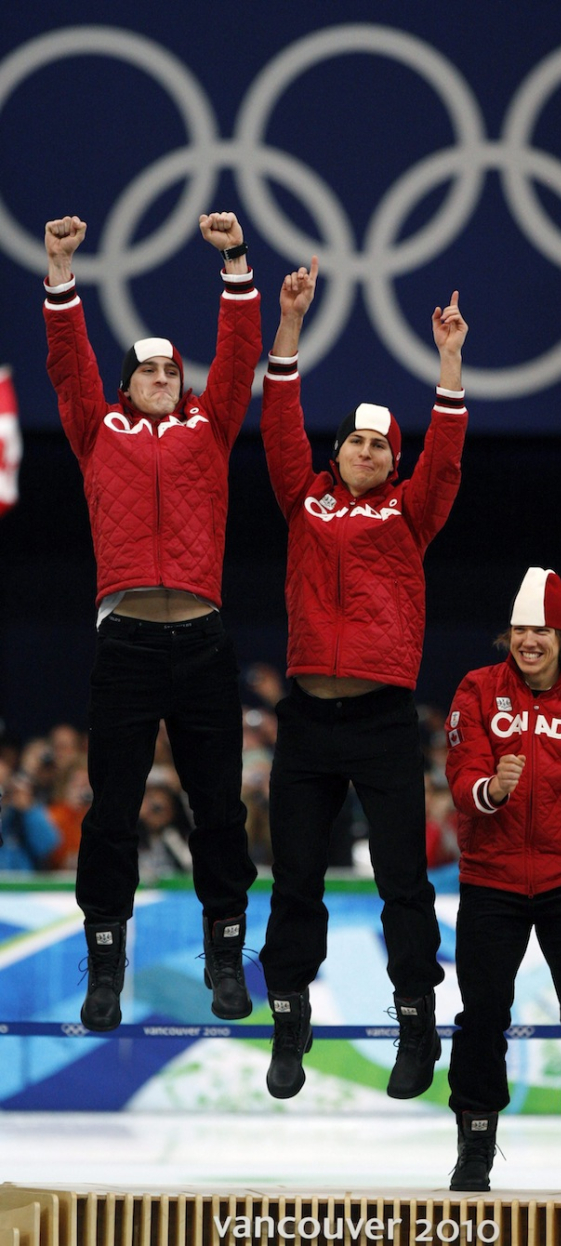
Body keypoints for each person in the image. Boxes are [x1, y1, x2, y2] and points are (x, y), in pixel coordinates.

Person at [43, 211, 261, 1031]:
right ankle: (106, 965)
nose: (165, 377)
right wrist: (62, 275)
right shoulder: (96, 431)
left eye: (174, 370)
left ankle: (225, 955)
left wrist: (236, 260)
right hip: (128, 641)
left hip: (202, 641)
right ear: (127, 385)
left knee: (221, 810)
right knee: (111, 811)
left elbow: (240, 355)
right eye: (150, 371)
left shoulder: (212, 427)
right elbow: (69, 365)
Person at [258, 255, 468, 1100]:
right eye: (358, 441)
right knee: (295, 878)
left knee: (402, 883)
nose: (370, 452)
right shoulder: (301, 499)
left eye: (384, 445)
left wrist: (449, 362)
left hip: (382, 719)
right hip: (307, 718)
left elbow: (445, 461)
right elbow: (278, 421)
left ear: (393, 460)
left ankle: (416, 1024)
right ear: (336, 450)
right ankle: (288, 1018)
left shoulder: (411, 512)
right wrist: (291, 324)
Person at [444, 567, 561, 1193]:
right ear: (508, 635)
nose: (531, 641)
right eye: (522, 629)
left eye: (544, 630)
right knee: (481, 1016)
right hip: (491, 879)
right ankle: (474, 1148)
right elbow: (461, 776)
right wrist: (492, 789)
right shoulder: (475, 689)